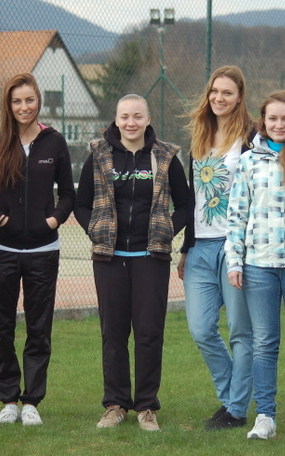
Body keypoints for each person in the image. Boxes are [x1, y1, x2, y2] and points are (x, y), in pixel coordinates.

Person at [74, 94, 189, 431]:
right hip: (109, 259)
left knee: (149, 333)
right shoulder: (99, 154)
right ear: (116, 119)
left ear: (148, 119)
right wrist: (96, 230)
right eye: (125, 116)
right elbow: (81, 204)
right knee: (113, 333)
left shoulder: (166, 156)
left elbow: (185, 204)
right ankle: (115, 404)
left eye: (137, 116)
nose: (131, 123)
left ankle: (146, 407)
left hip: (151, 259)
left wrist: (166, 230)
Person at [225, 90, 285, 442]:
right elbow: (236, 214)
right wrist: (235, 261)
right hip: (258, 265)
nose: (279, 124)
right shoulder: (249, 161)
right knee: (264, 343)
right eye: (273, 118)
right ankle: (265, 415)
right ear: (263, 122)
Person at [0, 73, 75, 426]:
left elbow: (68, 194)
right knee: (1, 326)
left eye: (29, 100)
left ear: (39, 102)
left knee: (39, 327)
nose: (24, 107)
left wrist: (52, 221)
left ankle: (32, 401)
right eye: (17, 101)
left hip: (43, 251)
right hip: (0, 249)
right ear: (9, 104)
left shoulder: (55, 142)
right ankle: (8, 400)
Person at [178, 65, 256, 431]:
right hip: (200, 247)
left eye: (227, 92)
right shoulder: (200, 136)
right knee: (201, 329)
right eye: (214, 91)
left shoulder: (253, 137)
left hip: (236, 246)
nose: (219, 98)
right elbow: (192, 199)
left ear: (239, 97)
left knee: (240, 331)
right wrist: (185, 247)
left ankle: (236, 409)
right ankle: (231, 398)